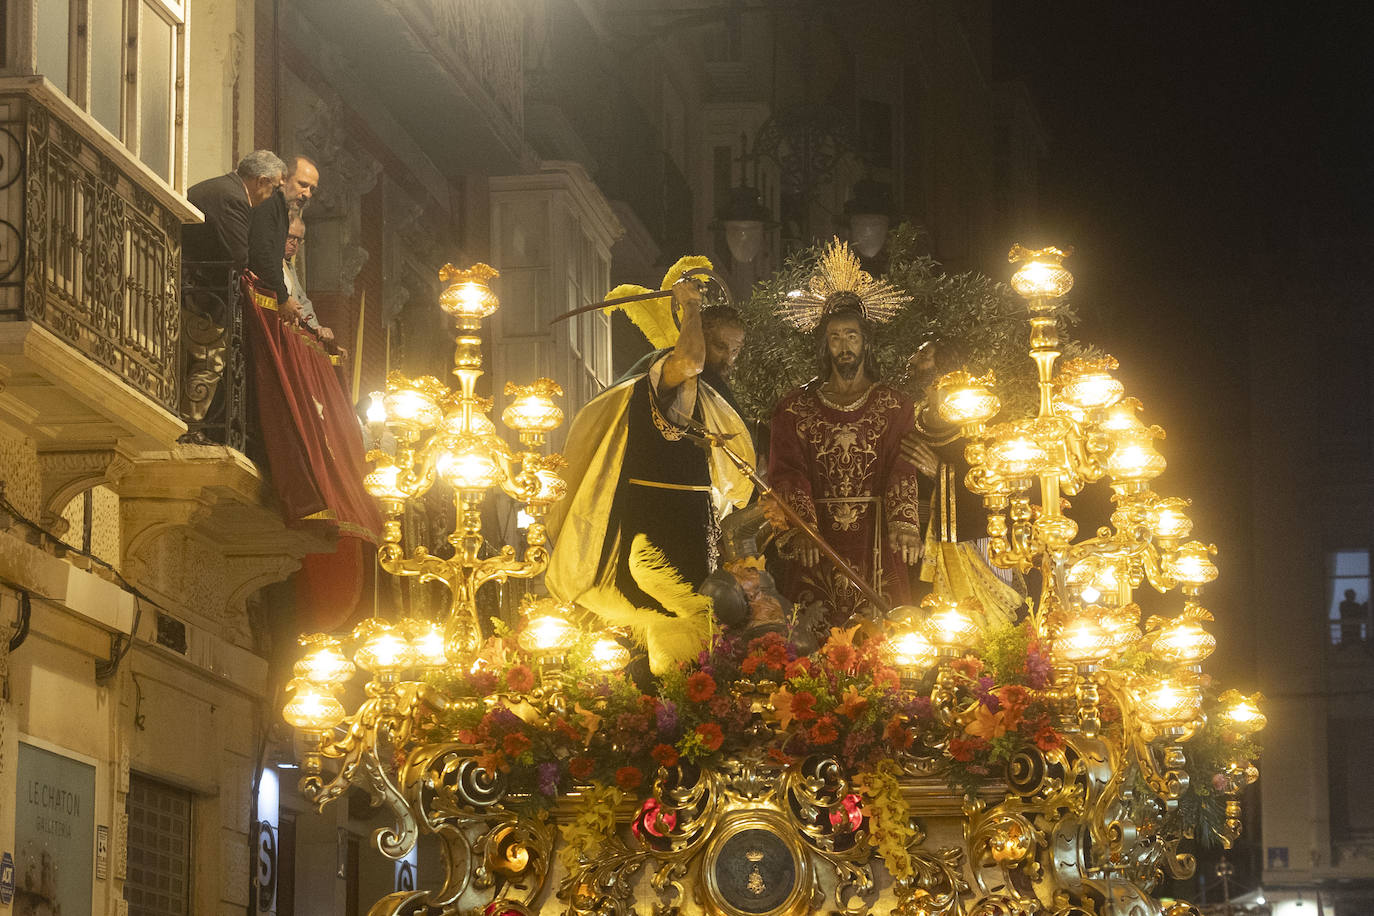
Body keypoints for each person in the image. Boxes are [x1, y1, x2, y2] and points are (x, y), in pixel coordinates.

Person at [546, 261, 754, 673]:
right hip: (655, 519)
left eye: (736, 349)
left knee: (699, 624)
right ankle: (658, 706)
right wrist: (690, 308)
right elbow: (691, 361)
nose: (729, 359)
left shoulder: (715, 394)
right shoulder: (667, 371)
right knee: (662, 619)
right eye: (721, 348)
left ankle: (693, 702)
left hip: (696, 520)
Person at [766, 239, 920, 626]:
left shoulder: (894, 405)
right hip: (817, 541)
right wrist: (802, 529)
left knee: (882, 632)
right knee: (811, 630)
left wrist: (904, 521)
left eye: (851, 336)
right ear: (825, 344)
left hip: (876, 537)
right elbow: (786, 470)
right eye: (835, 338)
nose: (844, 346)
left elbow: (904, 462)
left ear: (866, 343)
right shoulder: (794, 408)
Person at [899, 340, 1022, 628]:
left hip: (976, 539)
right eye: (916, 352)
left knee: (985, 625)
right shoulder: (909, 419)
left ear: (949, 363)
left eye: (925, 353)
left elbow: (996, 480)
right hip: (921, 542)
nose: (914, 357)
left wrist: (940, 472)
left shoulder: (979, 416)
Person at [180, 150, 286, 424]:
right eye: (274, 187)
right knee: (209, 361)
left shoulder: (223, 188)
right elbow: (238, 255)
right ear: (261, 181)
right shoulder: (233, 198)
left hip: (197, 289)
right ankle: (190, 425)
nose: (272, 195)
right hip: (199, 295)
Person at [247, 154, 319, 324]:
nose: (307, 194)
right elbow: (262, 253)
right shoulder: (269, 201)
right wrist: (283, 298)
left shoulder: (282, 209)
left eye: (312, 189)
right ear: (285, 179)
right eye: (303, 185)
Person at [282, 215, 338, 347]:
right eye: (290, 236)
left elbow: (303, 303)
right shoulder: (271, 263)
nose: (294, 243)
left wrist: (318, 328)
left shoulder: (289, 267)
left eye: (299, 239)